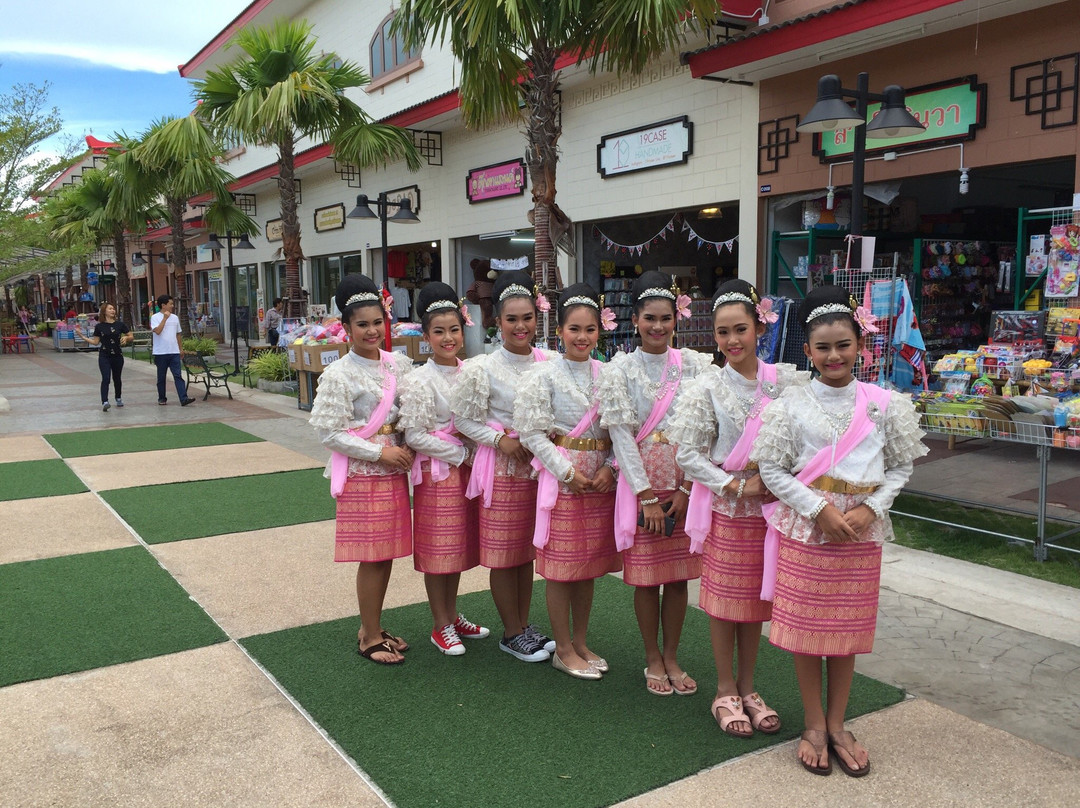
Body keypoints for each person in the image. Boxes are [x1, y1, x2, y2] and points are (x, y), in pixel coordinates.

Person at [751, 285, 926, 776]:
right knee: (808, 632)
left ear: (860, 346)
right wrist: (817, 510)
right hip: (809, 528)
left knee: (846, 633)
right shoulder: (789, 405)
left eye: (843, 345)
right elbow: (773, 469)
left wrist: (872, 508)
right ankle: (813, 724)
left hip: (860, 531)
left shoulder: (885, 404)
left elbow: (900, 467)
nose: (834, 356)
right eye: (823, 347)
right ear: (807, 351)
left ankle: (837, 723)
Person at [670, 279, 808, 734]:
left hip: (771, 509)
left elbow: (800, 442)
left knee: (755, 603)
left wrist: (776, 481)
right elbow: (688, 455)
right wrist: (733, 485)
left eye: (741, 329)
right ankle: (724, 689)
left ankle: (749, 688)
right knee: (724, 604)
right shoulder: (706, 388)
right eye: (723, 332)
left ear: (759, 328)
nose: (732, 340)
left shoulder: (785, 382)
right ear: (714, 335)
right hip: (728, 511)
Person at [597, 271, 712, 696]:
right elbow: (622, 437)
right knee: (646, 579)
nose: (658, 327)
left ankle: (673, 655)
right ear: (635, 319)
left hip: (684, 484)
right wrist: (645, 496)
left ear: (676, 318)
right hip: (641, 485)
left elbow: (705, 430)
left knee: (678, 578)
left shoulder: (695, 365)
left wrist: (686, 489)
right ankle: (652, 657)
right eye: (649, 318)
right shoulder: (620, 370)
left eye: (666, 318)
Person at [308, 273, 416, 665]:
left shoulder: (398, 364)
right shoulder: (339, 373)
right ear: (347, 327)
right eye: (362, 324)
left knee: (385, 554)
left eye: (377, 322)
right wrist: (379, 454)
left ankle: (372, 625)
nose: (372, 331)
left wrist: (410, 444)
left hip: (395, 468)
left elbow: (412, 410)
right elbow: (330, 432)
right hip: (364, 473)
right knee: (371, 556)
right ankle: (369, 636)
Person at [514, 283, 619, 680]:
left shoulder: (609, 374)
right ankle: (562, 648)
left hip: (599, 481)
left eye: (590, 329)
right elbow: (532, 433)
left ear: (599, 331)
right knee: (561, 568)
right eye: (574, 329)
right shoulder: (543, 375)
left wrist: (611, 467)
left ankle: (580, 641)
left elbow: (623, 431)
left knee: (586, 566)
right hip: (563, 479)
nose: (582, 337)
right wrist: (567, 473)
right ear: (559, 331)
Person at [451, 270, 557, 664]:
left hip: (539, 469)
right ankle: (511, 632)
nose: (520, 326)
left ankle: (524, 626)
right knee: (503, 552)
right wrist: (501, 441)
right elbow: (463, 420)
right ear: (497, 320)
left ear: (537, 317)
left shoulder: (550, 362)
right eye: (511, 319)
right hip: (502, 469)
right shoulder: (482, 368)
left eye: (527, 318)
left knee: (526, 552)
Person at [399, 282, 490, 656]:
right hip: (438, 473)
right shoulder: (419, 379)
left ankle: (452, 615)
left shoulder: (473, 371)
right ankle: (440, 624)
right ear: (425, 337)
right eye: (439, 332)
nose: (448, 338)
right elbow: (415, 435)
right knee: (439, 551)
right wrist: (461, 454)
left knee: (458, 548)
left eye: (454, 329)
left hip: (469, 470)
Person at [76, 303, 133, 411]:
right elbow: (95, 342)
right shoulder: (99, 326)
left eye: (113, 309)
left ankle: (118, 397)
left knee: (117, 378)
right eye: (110, 309)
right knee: (106, 378)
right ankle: (105, 401)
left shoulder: (120, 325)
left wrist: (126, 338)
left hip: (117, 355)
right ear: (104, 311)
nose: (113, 310)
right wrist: (82, 336)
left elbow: (131, 336)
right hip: (104, 355)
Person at [150, 294, 195, 406]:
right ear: (163, 305)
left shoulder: (175, 318)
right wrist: (165, 318)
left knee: (178, 375)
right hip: (160, 353)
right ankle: (162, 398)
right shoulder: (155, 317)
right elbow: (158, 331)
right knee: (161, 377)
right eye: (170, 304)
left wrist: (180, 349)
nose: (172, 306)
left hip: (174, 352)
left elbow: (178, 334)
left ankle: (183, 398)